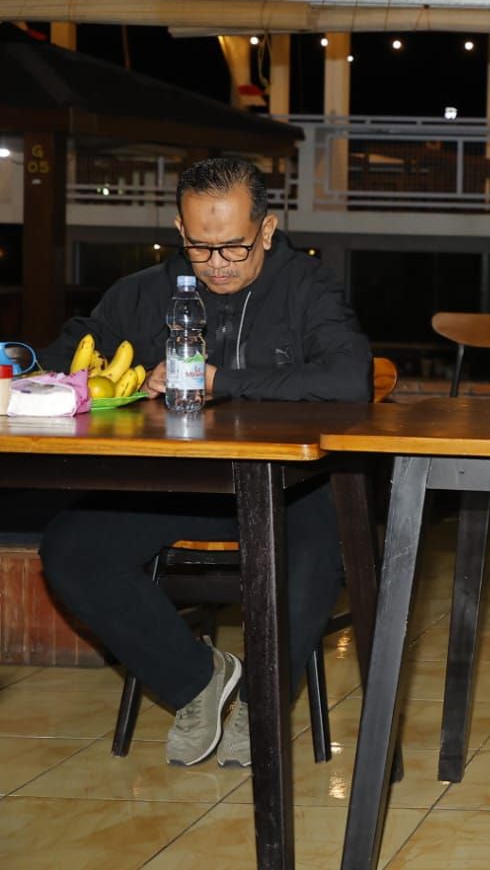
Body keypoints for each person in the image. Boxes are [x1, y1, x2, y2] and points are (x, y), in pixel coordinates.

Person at [38, 156, 371, 769]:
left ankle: (262, 702)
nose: (217, 263)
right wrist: (50, 376)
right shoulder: (145, 292)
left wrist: (222, 380)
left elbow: (351, 379)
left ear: (266, 230)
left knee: (309, 553)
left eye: (234, 247)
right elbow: (68, 358)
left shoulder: (307, 289)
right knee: (71, 550)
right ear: (179, 230)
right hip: (180, 487)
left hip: (290, 488)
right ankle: (198, 680)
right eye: (200, 246)